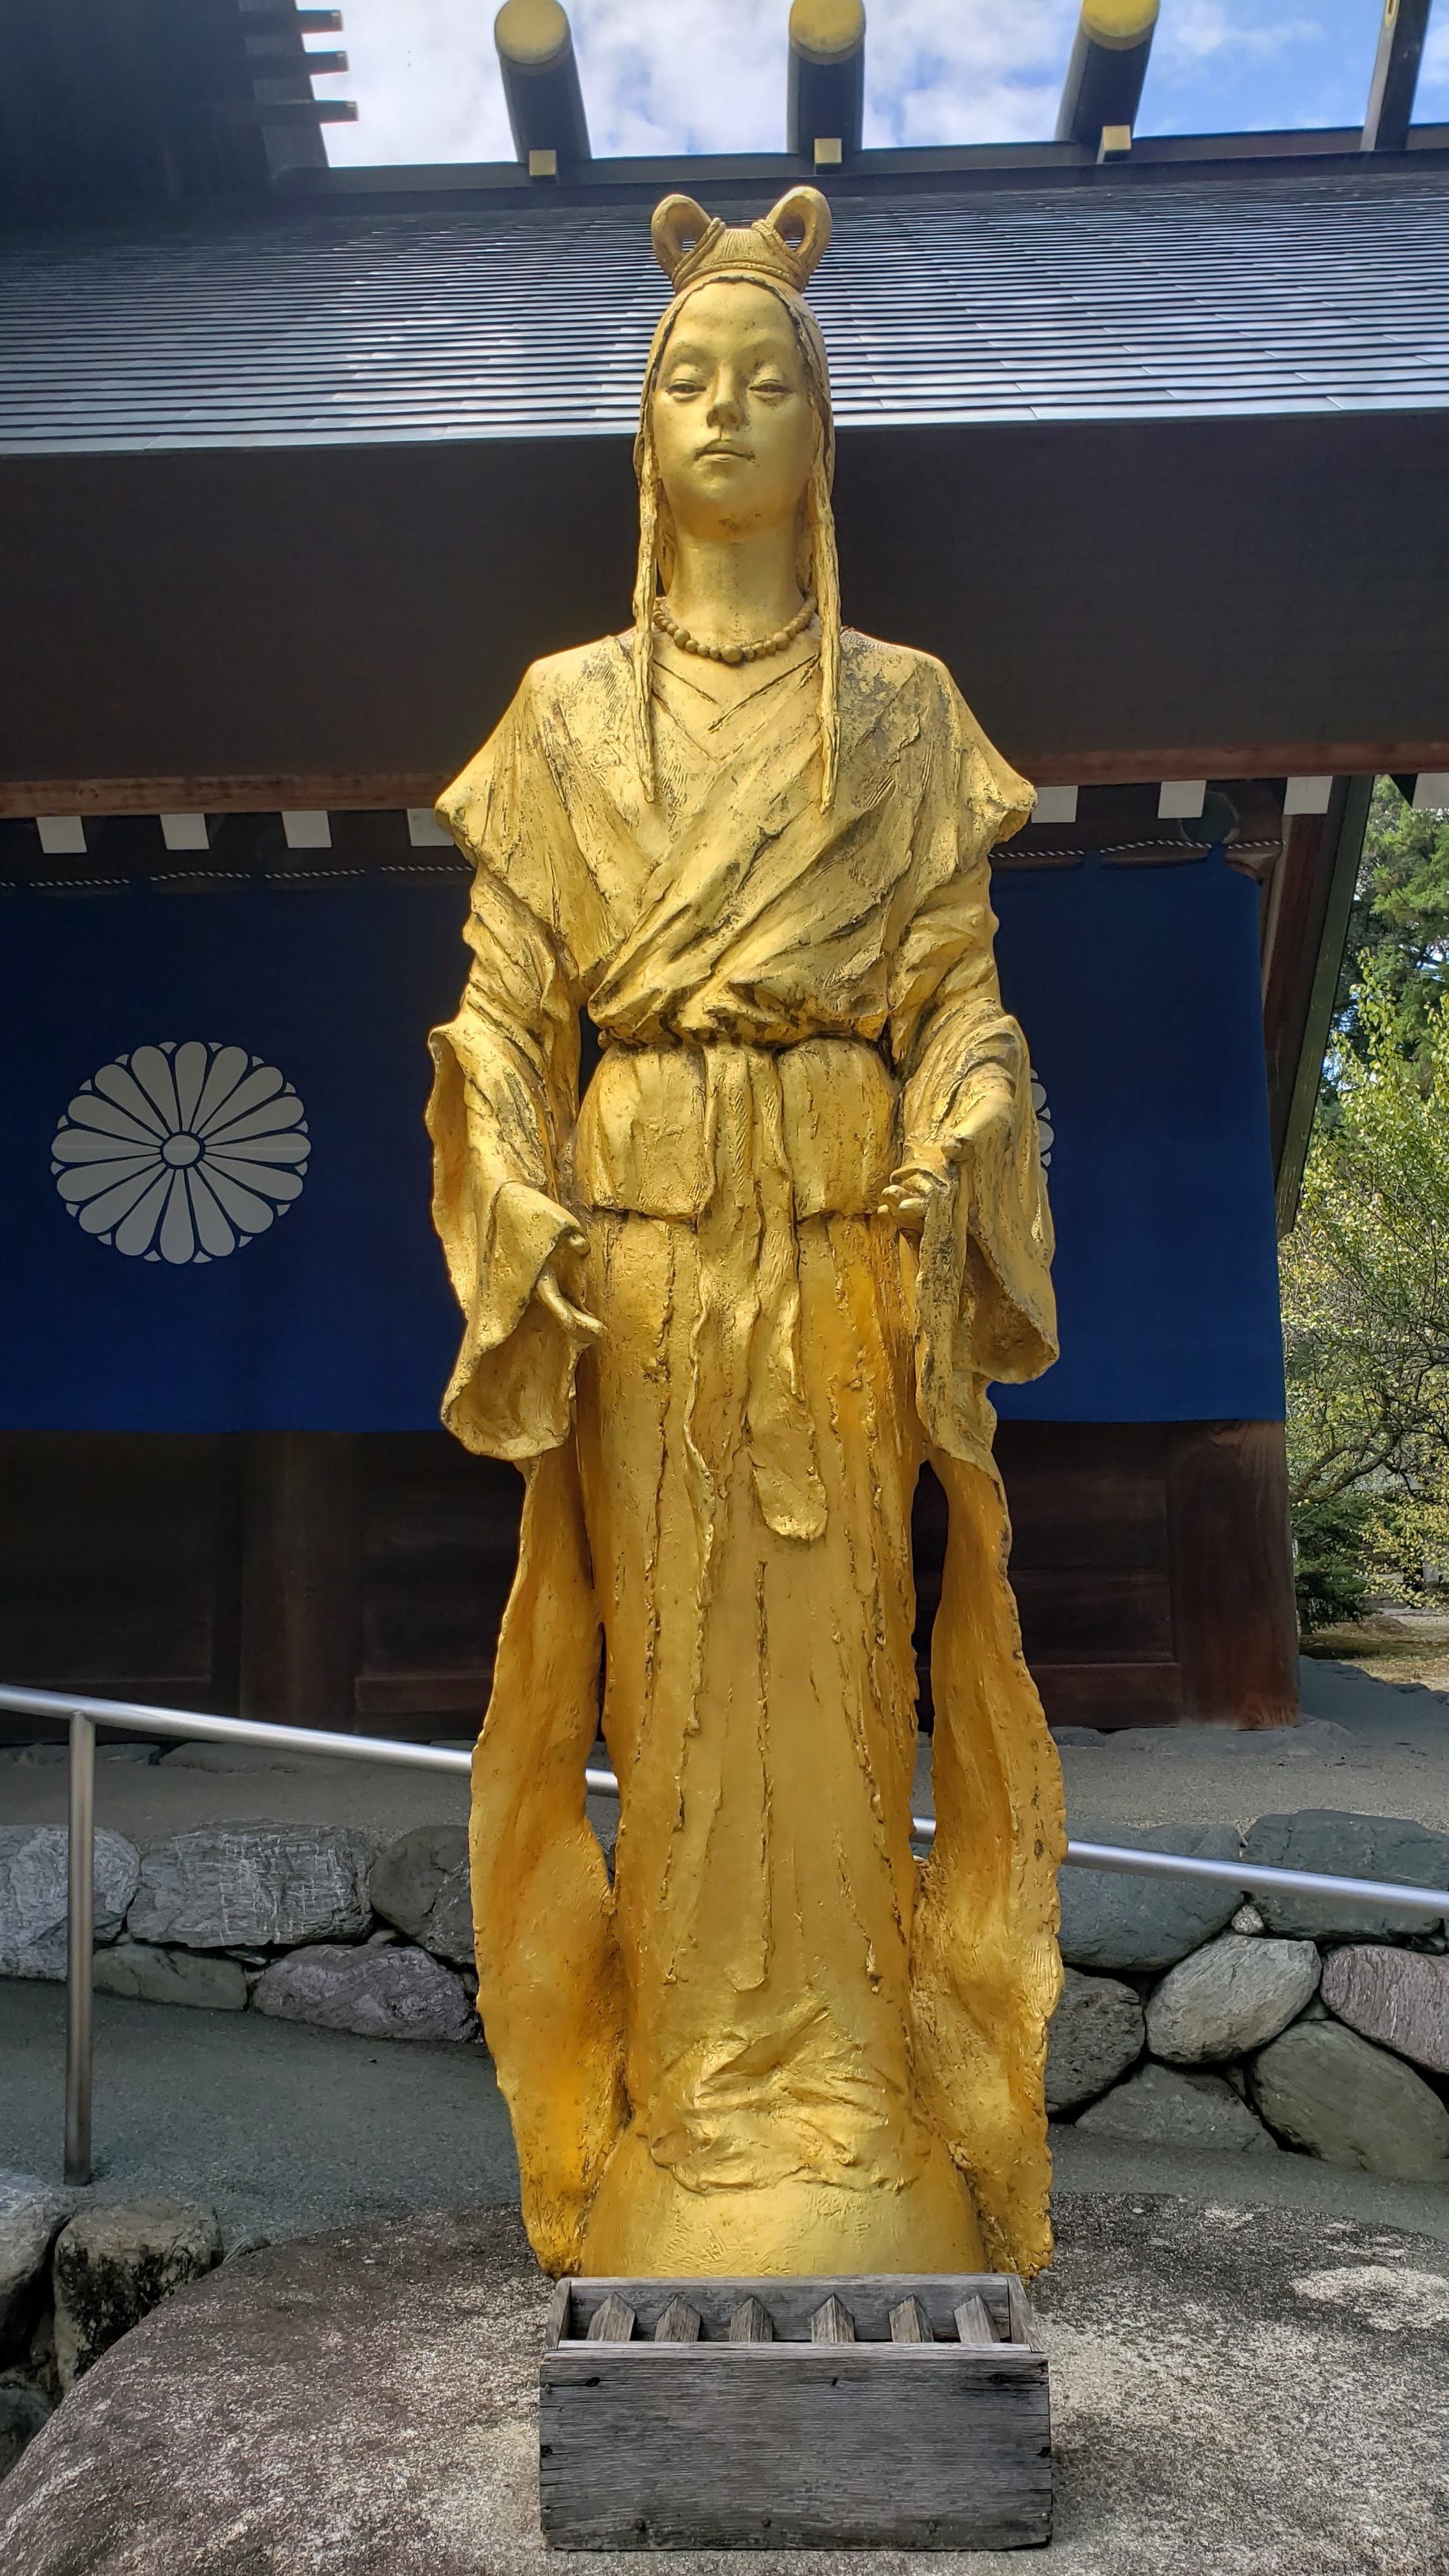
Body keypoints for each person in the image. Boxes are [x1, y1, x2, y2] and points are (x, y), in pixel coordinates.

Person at [427, 188, 1065, 2281]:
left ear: (820, 432)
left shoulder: (902, 710)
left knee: (834, 1664)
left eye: (764, 379)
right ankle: (695, 2112)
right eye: (686, 379)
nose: (723, 407)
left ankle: (860, 2095)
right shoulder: (555, 716)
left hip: (841, 1246)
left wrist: (964, 1108)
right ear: (640, 432)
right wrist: (508, 1175)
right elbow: (502, 1006)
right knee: (674, 1676)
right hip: (643, 1254)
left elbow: (960, 988)